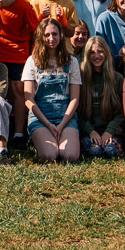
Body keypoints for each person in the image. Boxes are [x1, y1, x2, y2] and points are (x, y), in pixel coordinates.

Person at [21, 19, 82, 162]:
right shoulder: (32, 61)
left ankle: (60, 137)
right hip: (40, 117)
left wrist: (61, 125)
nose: (51, 39)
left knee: (70, 156)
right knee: (50, 155)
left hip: (65, 117)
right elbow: (28, 100)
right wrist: (48, 124)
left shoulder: (71, 61)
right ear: (41, 37)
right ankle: (39, 138)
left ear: (61, 35)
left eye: (55, 34)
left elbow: (75, 98)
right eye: (47, 35)